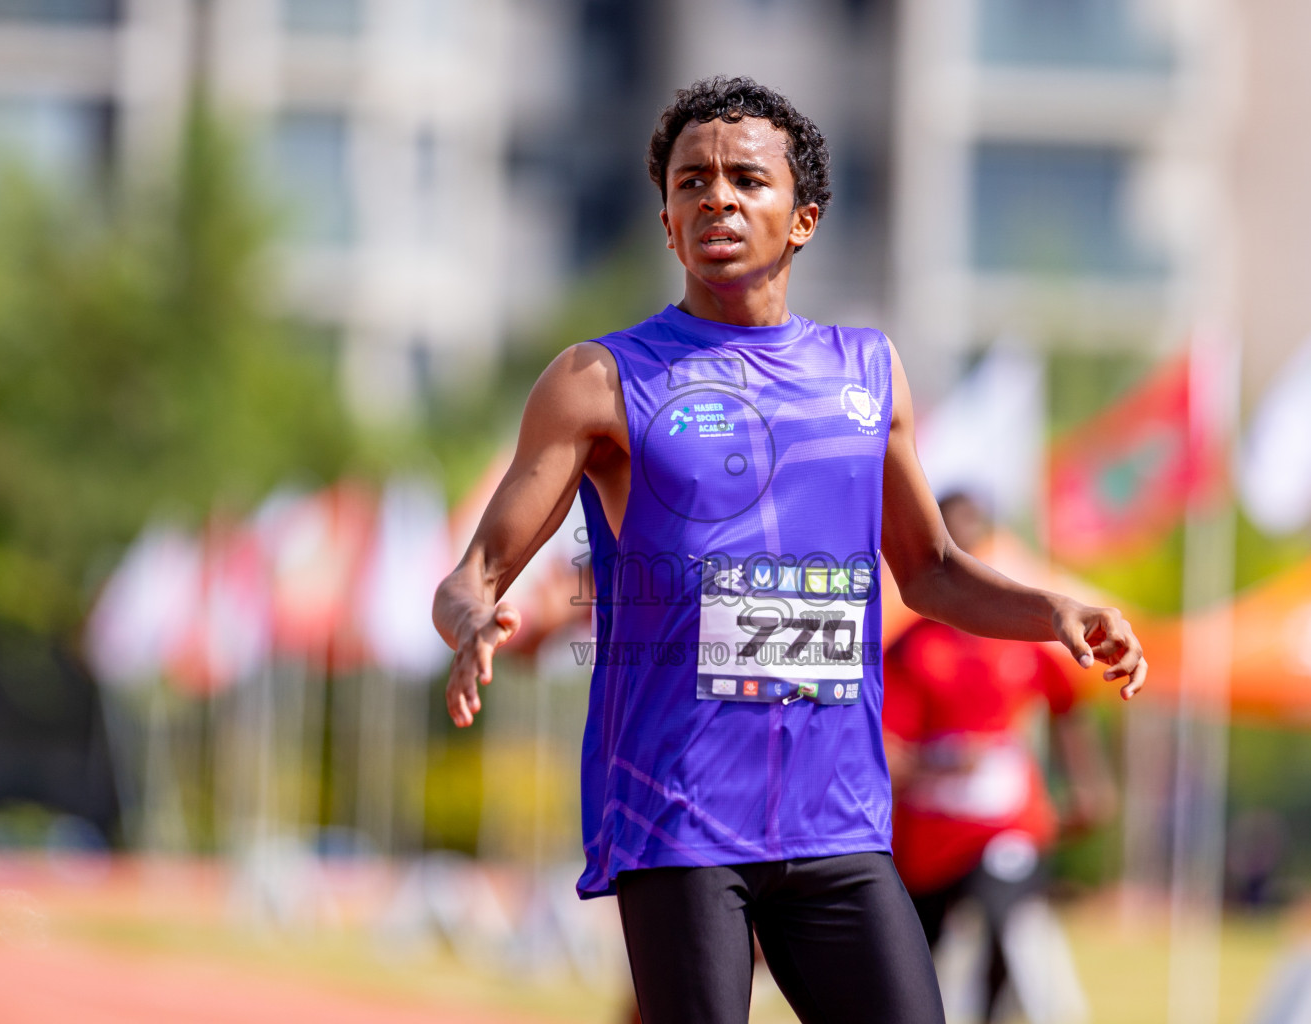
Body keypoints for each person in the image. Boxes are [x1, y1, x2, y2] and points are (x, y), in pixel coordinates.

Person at [433, 76, 1147, 1024]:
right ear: (666, 220)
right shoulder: (600, 380)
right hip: (678, 818)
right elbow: (470, 573)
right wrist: (475, 618)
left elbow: (928, 570)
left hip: (837, 822)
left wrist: (1054, 610)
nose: (716, 198)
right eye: (691, 182)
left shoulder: (868, 370)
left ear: (802, 218)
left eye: (745, 180)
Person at [884, 492, 1117, 1023]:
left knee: (1004, 920)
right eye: (953, 540)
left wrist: (1088, 785)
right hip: (929, 834)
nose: (965, 552)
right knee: (918, 955)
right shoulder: (909, 649)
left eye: (975, 540)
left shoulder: (1020, 639)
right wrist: (937, 767)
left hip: (1008, 823)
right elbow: (882, 750)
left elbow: (1067, 706)